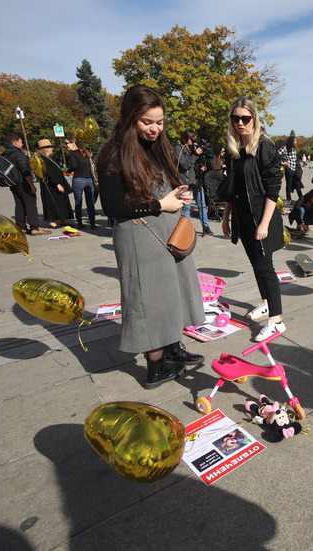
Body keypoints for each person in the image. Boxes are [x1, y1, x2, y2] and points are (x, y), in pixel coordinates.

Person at [96, 84, 205, 389]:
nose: (155, 129)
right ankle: (156, 367)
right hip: (138, 237)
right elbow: (113, 205)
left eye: (159, 122)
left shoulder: (156, 146)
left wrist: (180, 192)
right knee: (148, 299)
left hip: (167, 231)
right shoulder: (113, 152)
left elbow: (164, 183)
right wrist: (160, 204)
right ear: (131, 118)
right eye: (147, 122)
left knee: (172, 294)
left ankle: (173, 349)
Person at [220, 96, 287, 342]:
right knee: (256, 265)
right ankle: (267, 303)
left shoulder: (264, 146)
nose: (240, 123)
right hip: (242, 216)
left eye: (245, 118)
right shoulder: (235, 150)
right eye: (236, 118)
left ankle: (276, 321)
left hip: (261, 215)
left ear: (254, 119)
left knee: (265, 267)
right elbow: (232, 187)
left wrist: (264, 223)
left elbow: (273, 188)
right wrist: (226, 216)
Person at [1, 134, 49, 235]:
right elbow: (25, 170)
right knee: (30, 203)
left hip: (12, 182)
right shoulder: (17, 153)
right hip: (22, 182)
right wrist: (31, 184)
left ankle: (21, 227)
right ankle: (35, 227)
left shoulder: (5, 154)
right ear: (15, 143)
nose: (22, 144)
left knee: (19, 204)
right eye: (21, 142)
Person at [35, 139, 73, 229]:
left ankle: (62, 220)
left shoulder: (48, 158)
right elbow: (48, 172)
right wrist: (57, 184)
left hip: (57, 183)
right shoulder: (42, 159)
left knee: (61, 202)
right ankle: (52, 222)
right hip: (50, 185)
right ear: (45, 148)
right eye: (50, 147)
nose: (52, 148)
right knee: (51, 202)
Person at [64, 136, 97, 229]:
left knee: (78, 202)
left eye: (67, 143)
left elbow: (74, 165)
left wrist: (69, 170)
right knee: (90, 202)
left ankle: (80, 223)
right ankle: (93, 223)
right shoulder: (85, 152)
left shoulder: (73, 153)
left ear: (73, 143)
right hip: (89, 179)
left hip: (78, 179)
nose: (66, 145)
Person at [277, 135, 302, 202]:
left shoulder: (294, 148)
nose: (296, 142)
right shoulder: (284, 148)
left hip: (295, 168)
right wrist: (282, 163)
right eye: (295, 141)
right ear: (292, 141)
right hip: (288, 168)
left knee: (297, 183)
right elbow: (276, 155)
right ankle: (289, 199)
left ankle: (301, 198)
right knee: (289, 184)